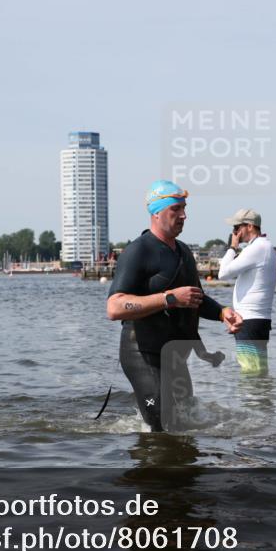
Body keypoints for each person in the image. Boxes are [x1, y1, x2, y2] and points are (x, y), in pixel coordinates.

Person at [106, 181, 242, 432]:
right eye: (176, 209)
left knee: (185, 417)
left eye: (184, 209)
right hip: (143, 354)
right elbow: (114, 307)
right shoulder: (138, 251)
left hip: (175, 357)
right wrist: (169, 298)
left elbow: (195, 297)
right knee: (160, 417)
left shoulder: (183, 252)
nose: (184, 215)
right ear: (156, 212)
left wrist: (222, 312)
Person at [217, 209, 276, 375]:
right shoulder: (264, 246)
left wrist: (232, 247)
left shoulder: (257, 248)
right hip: (257, 320)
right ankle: (260, 400)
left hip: (249, 320)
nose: (235, 232)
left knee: (251, 372)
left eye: (237, 227)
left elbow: (223, 273)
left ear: (250, 226)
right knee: (258, 371)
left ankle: (252, 401)